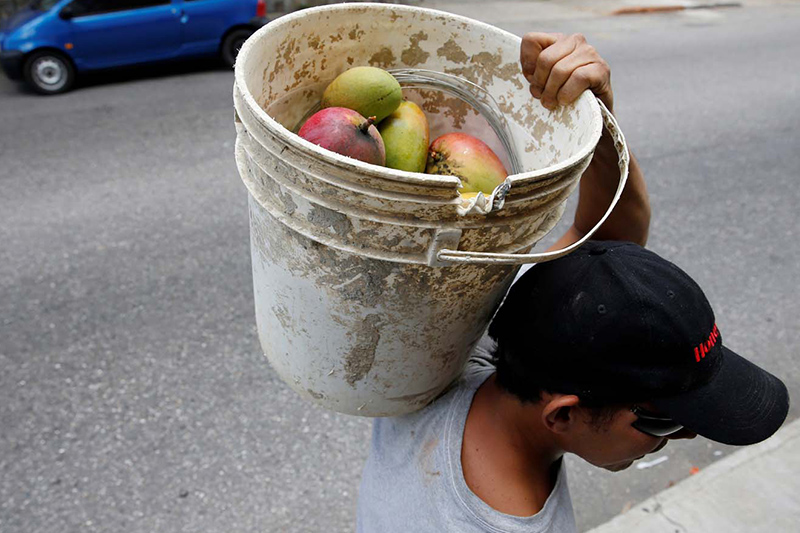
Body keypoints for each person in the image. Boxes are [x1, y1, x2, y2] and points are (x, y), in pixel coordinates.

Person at [355, 32, 790, 532]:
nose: (686, 436)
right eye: (662, 421)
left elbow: (600, 236)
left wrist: (598, 119)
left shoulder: (452, 348)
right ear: (562, 415)